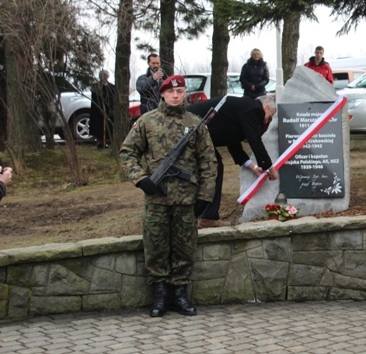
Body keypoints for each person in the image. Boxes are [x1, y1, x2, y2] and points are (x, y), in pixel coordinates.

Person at [120, 75, 217, 318]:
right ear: (162, 94)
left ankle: (180, 294)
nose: (176, 95)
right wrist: (141, 179)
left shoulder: (195, 124)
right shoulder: (147, 122)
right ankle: (161, 294)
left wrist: (205, 195)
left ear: (185, 94)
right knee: (155, 246)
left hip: (186, 200)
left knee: (185, 247)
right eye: (171, 92)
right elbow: (127, 153)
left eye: (180, 91)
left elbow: (208, 161)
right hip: (156, 199)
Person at [187, 95, 278, 228]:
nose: (267, 121)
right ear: (266, 107)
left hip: (195, 132)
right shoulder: (254, 109)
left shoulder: (242, 108)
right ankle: (205, 217)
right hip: (190, 129)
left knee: (214, 166)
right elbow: (255, 141)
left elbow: (232, 142)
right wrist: (270, 168)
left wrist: (253, 167)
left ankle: (203, 216)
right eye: (270, 116)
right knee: (214, 166)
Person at [89, 70, 116, 148]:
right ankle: (99, 142)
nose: (105, 78)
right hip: (98, 111)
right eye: (103, 76)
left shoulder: (111, 87)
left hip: (108, 110)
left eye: (106, 76)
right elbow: (95, 97)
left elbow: (112, 98)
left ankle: (108, 141)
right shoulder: (95, 86)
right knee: (98, 127)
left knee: (109, 126)